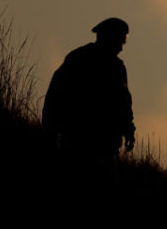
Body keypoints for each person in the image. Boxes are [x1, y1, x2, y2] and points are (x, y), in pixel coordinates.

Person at [43, 18, 136, 176]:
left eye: (124, 40)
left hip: (101, 145)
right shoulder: (84, 61)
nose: (122, 46)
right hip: (80, 141)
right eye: (121, 40)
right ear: (110, 38)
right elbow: (57, 94)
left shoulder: (82, 58)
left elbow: (123, 103)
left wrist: (128, 129)